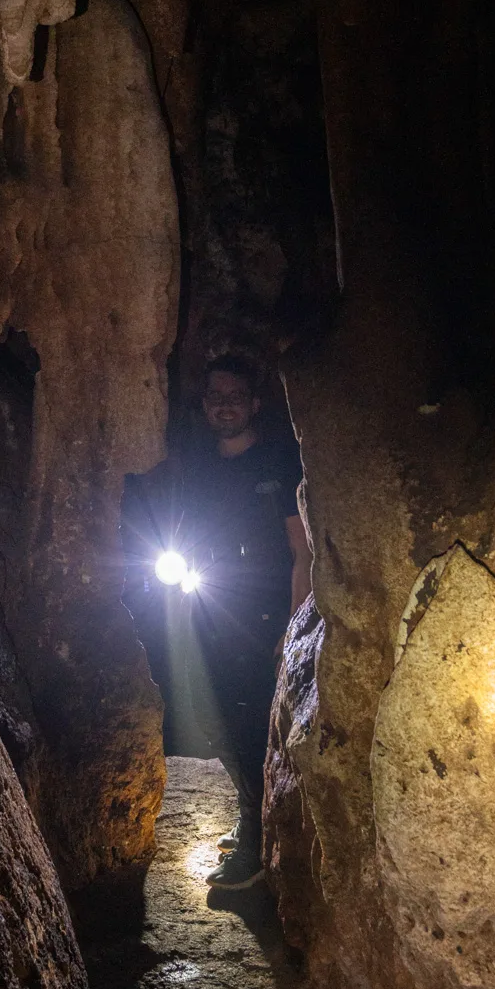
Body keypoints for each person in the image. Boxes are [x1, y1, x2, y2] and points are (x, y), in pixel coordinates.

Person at [181, 356, 312, 890]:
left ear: (255, 403)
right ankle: (251, 813)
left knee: (253, 723)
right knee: (216, 718)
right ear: (205, 405)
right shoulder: (203, 463)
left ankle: (258, 848)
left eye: (236, 395)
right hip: (213, 608)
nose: (225, 404)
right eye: (216, 396)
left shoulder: (278, 460)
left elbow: (300, 548)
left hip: (264, 613)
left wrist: (293, 625)